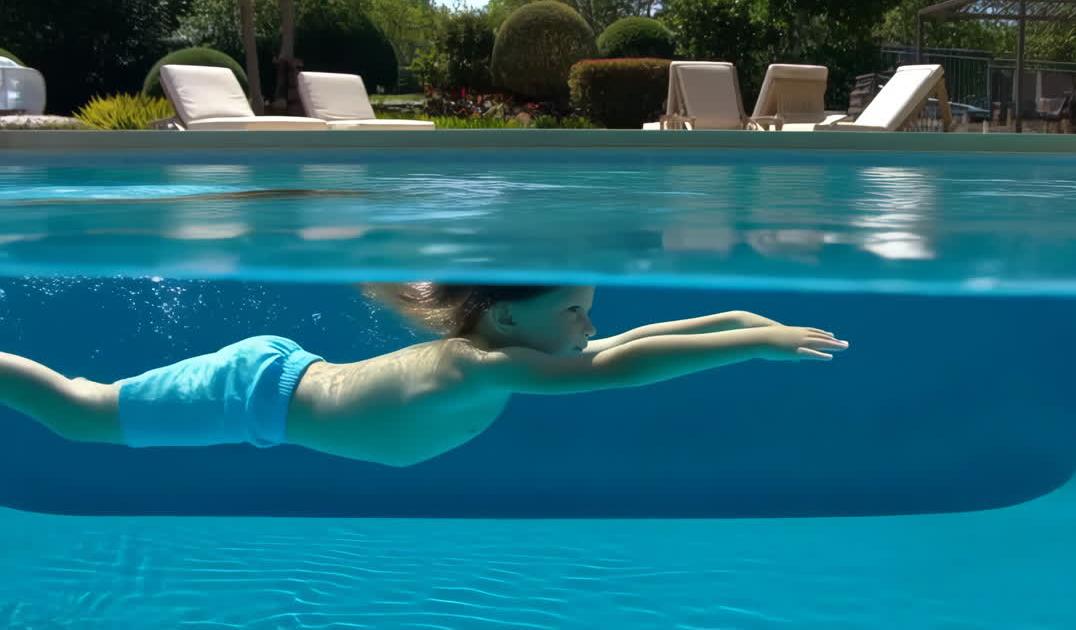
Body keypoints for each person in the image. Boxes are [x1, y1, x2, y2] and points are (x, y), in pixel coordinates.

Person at [0, 283, 848, 467]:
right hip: (252, 394)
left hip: (286, 380)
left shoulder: (512, 350)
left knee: (84, 413)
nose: (588, 327)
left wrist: (736, 320)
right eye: (575, 312)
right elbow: (621, 368)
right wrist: (754, 347)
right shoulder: (487, 370)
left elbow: (624, 340)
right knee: (80, 411)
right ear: (509, 317)